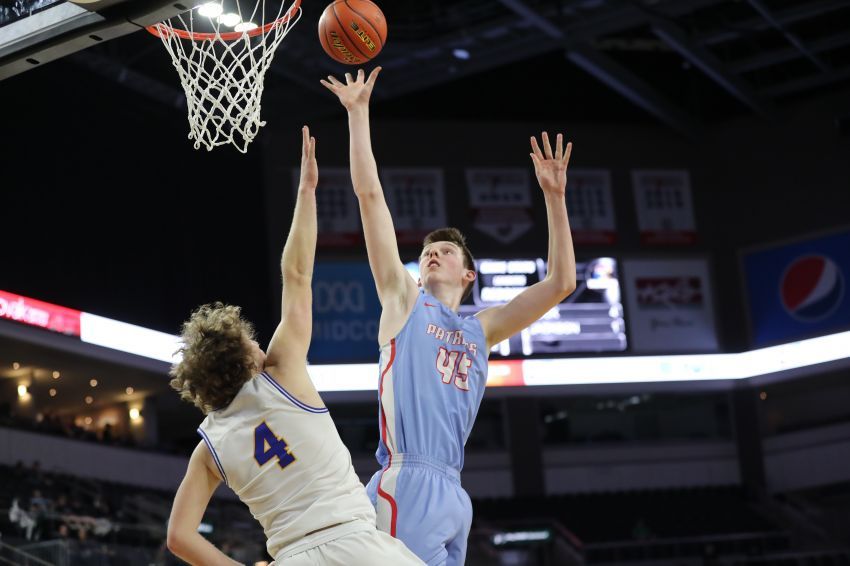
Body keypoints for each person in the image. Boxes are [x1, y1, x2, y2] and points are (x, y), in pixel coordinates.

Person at [322, 67, 578, 566]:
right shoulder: (404, 301)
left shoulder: (481, 328)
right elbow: (370, 199)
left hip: (453, 494)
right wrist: (358, 115)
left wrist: (555, 198)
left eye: (444, 251)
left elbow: (561, 283)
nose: (433, 255)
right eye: (427, 253)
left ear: (468, 275)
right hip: (407, 479)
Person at [165, 126, 422, 566]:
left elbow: (178, 536)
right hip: (356, 543)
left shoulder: (209, 447)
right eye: (251, 339)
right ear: (245, 357)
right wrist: (306, 191)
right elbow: (298, 274)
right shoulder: (281, 373)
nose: (259, 342)